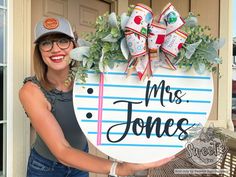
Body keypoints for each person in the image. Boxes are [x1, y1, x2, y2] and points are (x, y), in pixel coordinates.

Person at [19, 16, 174, 177]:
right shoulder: (31, 91)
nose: (55, 49)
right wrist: (117, 169)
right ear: (39, 51)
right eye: (46, 43)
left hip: (80, 162)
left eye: (62, 41)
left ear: (74, 45)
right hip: (46, 169)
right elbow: (62, 151)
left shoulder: (90, 80)